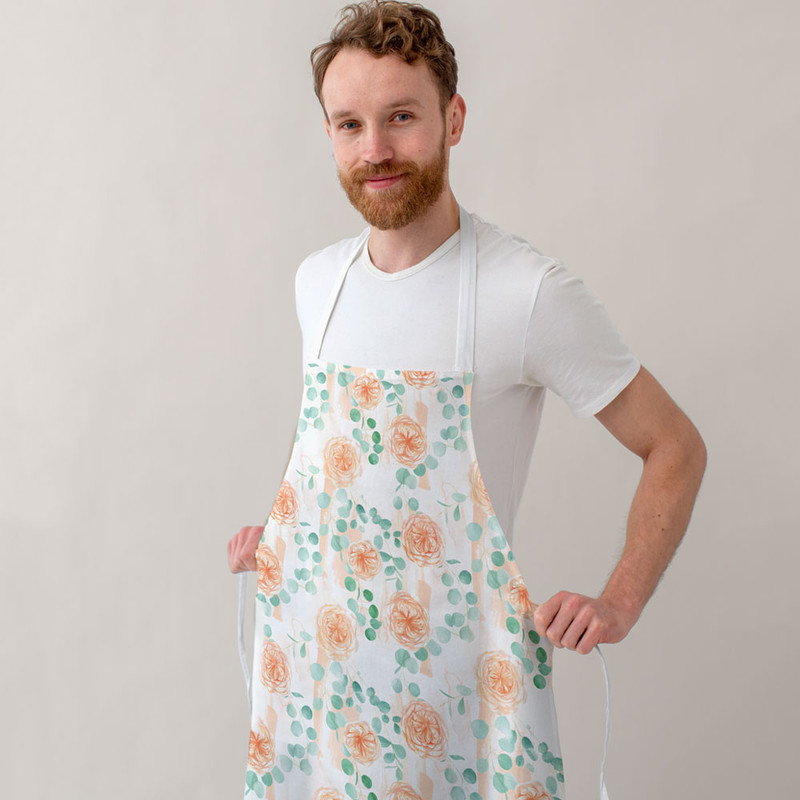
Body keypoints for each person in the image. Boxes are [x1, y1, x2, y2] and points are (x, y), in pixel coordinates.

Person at [227, 2, 707, 798]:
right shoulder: (319, 282)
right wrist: (281, 524)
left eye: (401, 117)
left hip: (460, 719)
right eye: (349, 125)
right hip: (317, 696)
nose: (375, 150)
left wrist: (619, 601)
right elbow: (322, 437)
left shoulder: (525, 294)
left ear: (453, 118)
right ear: (329, 134)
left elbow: (675, 446)